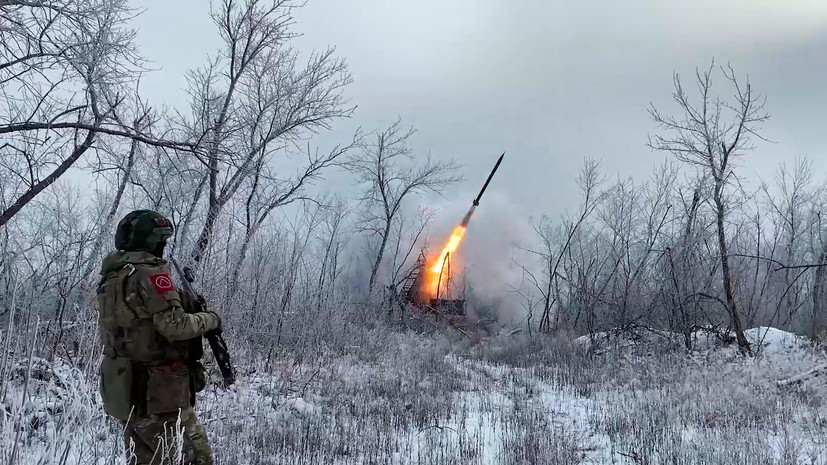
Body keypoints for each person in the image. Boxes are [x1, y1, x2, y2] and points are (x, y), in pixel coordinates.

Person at [97, 210, 221, 465]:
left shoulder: (113, 277)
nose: (163, 247)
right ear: (152, 242)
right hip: (159, 392)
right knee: (198, 456)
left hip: (125, 387)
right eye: (161, 241)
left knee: (145, 459)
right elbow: (174, 326)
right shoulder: (150, 275)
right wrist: (210, 319)